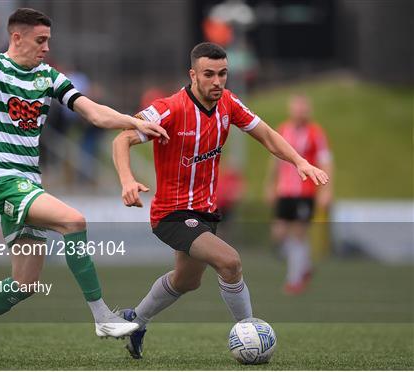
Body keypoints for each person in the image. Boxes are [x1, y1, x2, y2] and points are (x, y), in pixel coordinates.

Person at [0, 8, 169, 362]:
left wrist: (135, 122)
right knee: (74, 221)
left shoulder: (48, 77)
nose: (47, 47)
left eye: (48, 40)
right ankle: (102, 317)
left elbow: (93, 112)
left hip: (28, 183)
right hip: (0, 180)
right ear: (17, 37)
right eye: (40, 40)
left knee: (25, 284)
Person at [111, 42, 329, 359]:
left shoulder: (228, 103)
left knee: (186, 281)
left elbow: (266, 134)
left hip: (205, 214)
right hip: (171, 213)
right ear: (193, 74)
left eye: (223, 74)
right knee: (230, 262)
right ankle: (251, 334)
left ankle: (136, 320)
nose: (217, 81)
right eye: (209, 74)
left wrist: (299, 162)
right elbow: (122, 138)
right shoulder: (170, 108)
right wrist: (127, 180)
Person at [264, 95, 333, 295]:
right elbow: (276, 159)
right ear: (290, 109)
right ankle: (305, 265)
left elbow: (326, 161)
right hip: (285, 192)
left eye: (303, 108)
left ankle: (294, 280)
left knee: (298, 234)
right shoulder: (283, 129)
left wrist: (326, 190)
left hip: (306, 192)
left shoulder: (315, 133)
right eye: (297, 107)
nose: (300, 111)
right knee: (278, 234)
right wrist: (270, 184)